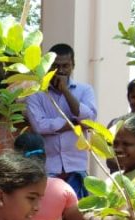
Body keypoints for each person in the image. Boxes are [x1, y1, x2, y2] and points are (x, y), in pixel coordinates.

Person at [25, 44, 98, 198]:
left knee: (77, 219)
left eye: (66, 66)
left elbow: (88, 120)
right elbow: (39, 126)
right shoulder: (36, 95)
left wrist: (65, 90)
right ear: (48, 67)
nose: (61, 71)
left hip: (77, 169)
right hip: (48, 170)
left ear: (73, 66)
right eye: (56, 66)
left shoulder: (85, 90)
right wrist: (73, 123)